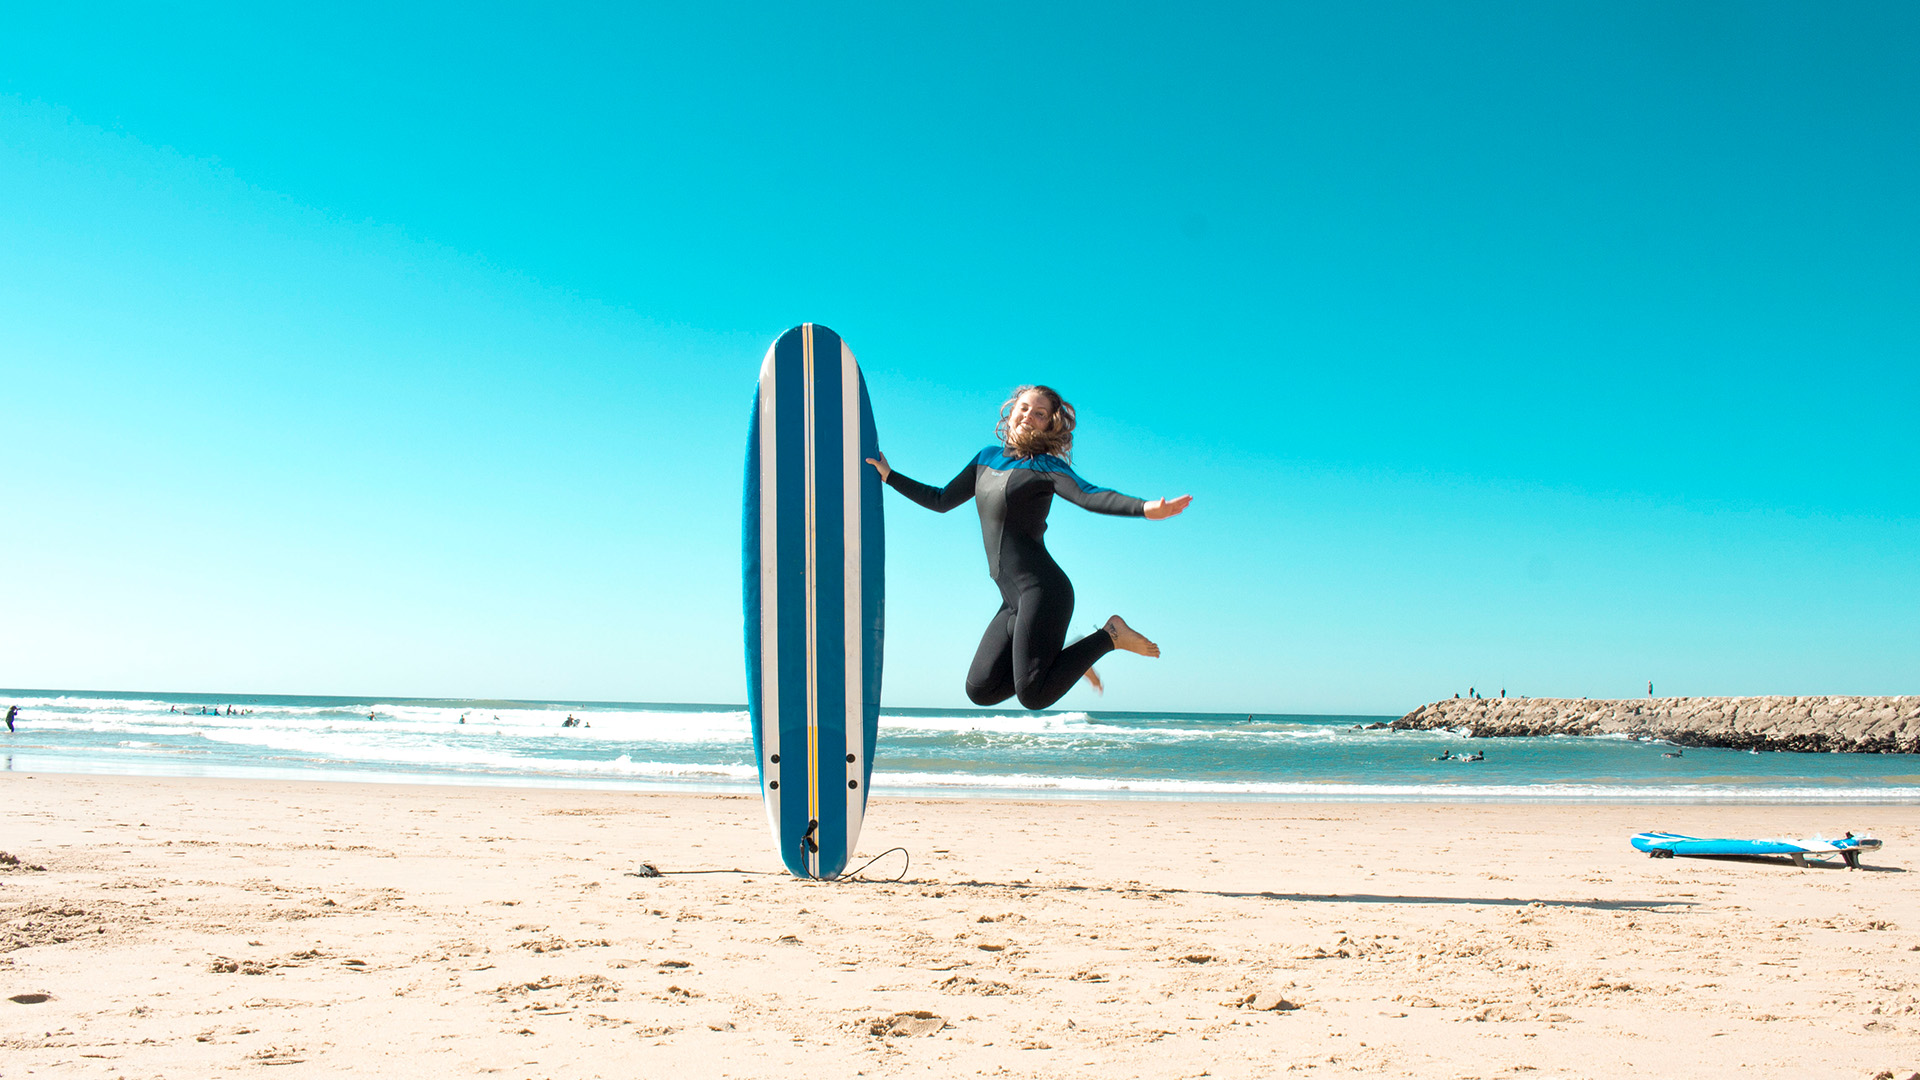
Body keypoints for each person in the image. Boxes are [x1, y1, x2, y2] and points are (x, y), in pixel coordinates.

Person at [868, 385, 1190, 710]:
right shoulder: (985, 458)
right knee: (980, 690)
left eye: (1039, 413)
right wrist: (889, 476)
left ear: (1049, 424)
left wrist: (1145, 508)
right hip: (1012, 602)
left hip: (1044, 592)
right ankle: (1061, 662)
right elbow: (940, 500)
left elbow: (1088, 495)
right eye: (1024, 408)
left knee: (1033, 695)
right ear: (1011, 412)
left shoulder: (1046, 467)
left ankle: (1109, 636)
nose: (1028, 416)